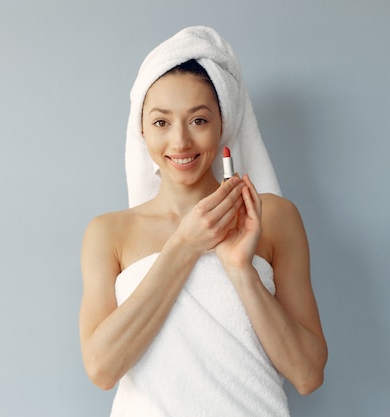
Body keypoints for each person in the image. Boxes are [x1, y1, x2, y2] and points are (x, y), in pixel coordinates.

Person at [79, 26, 327, 416]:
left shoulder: (273, 217)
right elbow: (102, 369)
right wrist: (186, 245)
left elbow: (308, 374)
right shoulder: (109, 233)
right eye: (161, 122)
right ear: (141, 130)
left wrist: (240, 269)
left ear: (223, 124)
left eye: (198, 120)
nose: (180, 142)